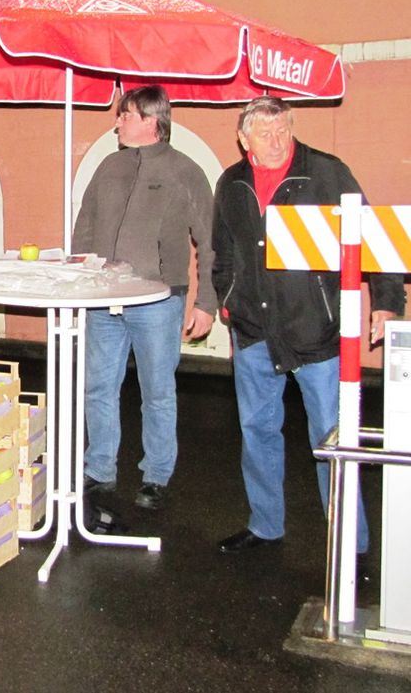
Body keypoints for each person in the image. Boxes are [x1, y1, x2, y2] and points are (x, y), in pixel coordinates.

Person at [212, 95, 405, 555]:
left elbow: (373, 233)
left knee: (332, 440)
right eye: (265, 133)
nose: (277, 141)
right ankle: (265, 525)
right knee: (257, 431)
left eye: (283, 130)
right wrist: (227, 301)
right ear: (243, 139)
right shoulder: (231, 182)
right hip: (254, 330)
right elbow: (223, 251)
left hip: (315, 330)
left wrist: (386, 302)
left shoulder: (326, 171)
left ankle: (350, 543)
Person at [72, 84, 216, 510]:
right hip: (103, 300)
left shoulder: (184, 171)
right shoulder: (108, 166)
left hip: (159, 301)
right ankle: (99, 467)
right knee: (98, 387)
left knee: (157, 392)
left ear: (152, 121)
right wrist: (82, 280)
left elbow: (210, 242)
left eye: (125, 115)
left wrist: (206, 302)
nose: (117, 123)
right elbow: (84, 228)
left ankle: (156, 475)